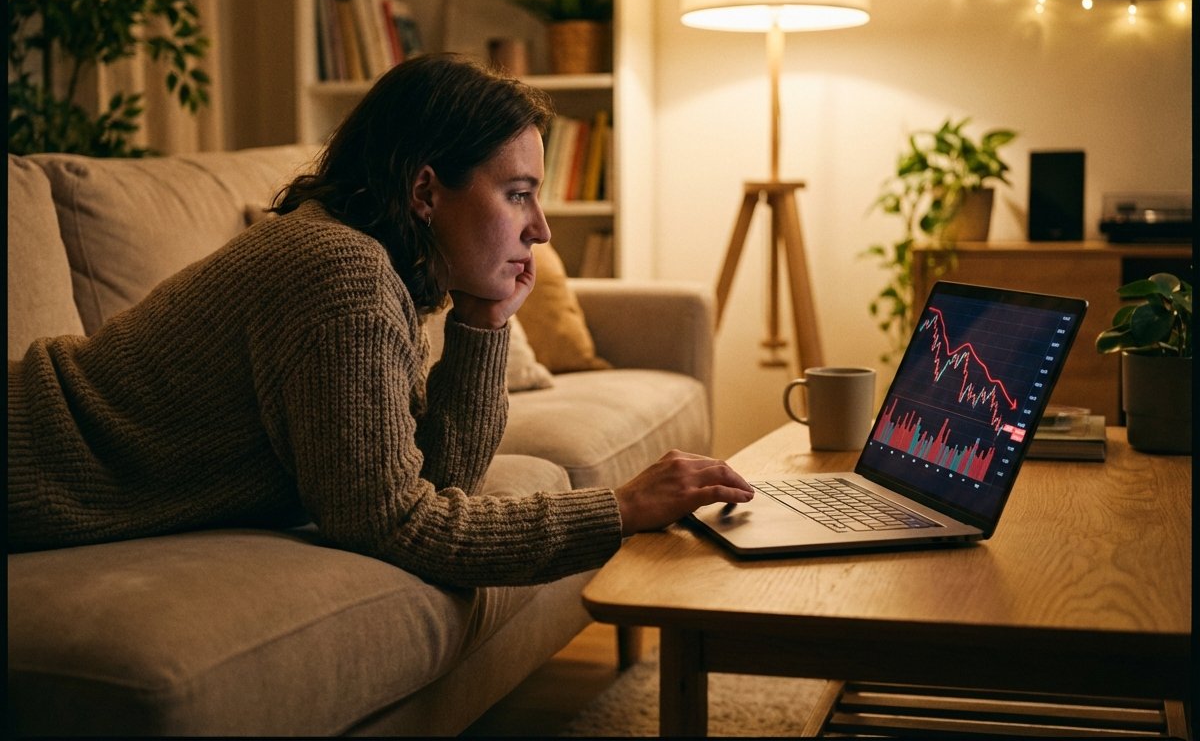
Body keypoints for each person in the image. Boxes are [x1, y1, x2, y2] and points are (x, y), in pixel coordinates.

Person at [8, 53, 753, 587]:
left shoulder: (371, 266)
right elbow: (398, 524)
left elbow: (439, 477)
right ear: (426, 191)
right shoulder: (338, 272)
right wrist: (618, 509)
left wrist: (484, 324)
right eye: (519, 194)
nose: (543, 231)